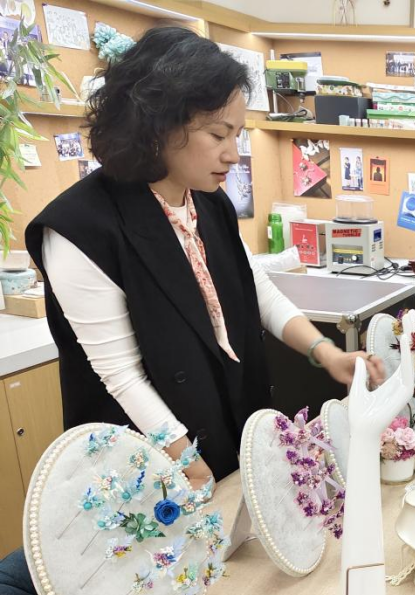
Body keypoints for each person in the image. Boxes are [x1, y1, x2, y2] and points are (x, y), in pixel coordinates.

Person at [25, 27, 385, 489]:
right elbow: (120, 375)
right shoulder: (79, 228)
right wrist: (189, 462)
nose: (233, 155)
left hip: (219, 420)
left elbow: (255, 290)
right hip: (148, 457)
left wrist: (327, 352)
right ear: (158, 124)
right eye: (218, 134)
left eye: (237, 135)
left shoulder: (208, 202)